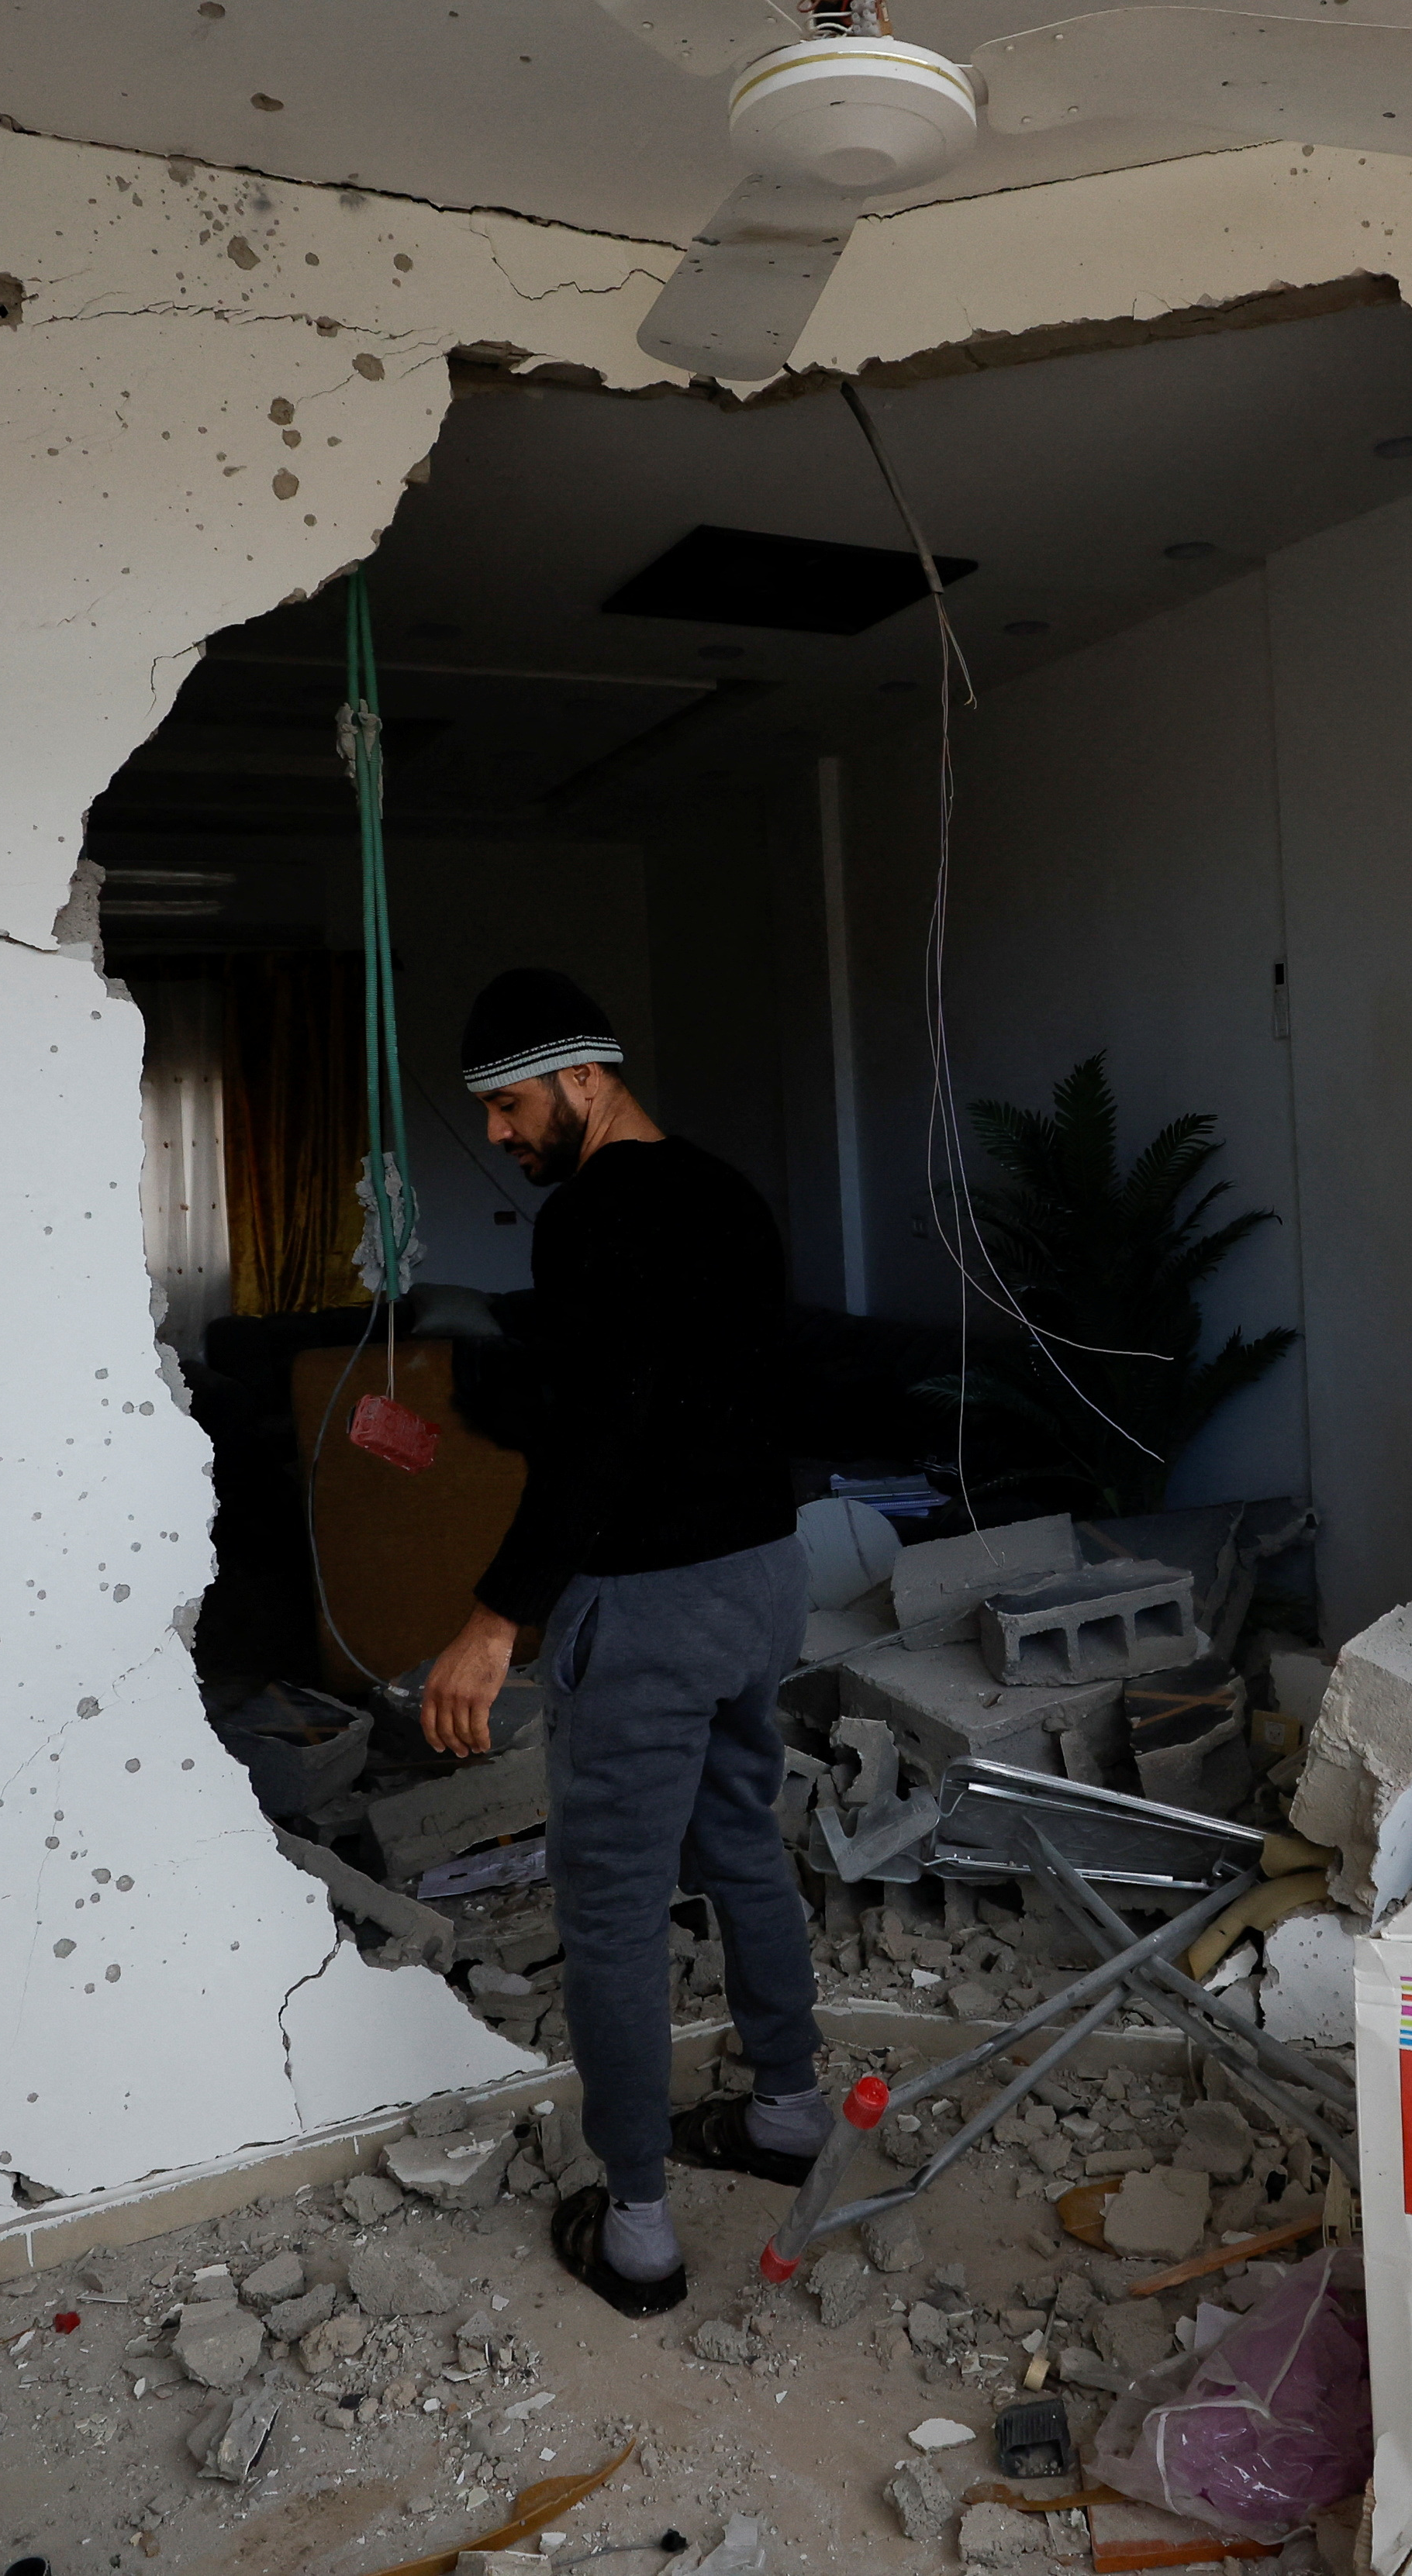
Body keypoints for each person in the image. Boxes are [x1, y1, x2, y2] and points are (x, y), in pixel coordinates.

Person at [423, 967, 825, 2316]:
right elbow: (699, 1385)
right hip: (763, 1575)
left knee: (607, 1907)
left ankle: (640, 2232)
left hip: (647, 1601)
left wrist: (495, 1619)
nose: (501, 1133)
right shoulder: (729, 1193)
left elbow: (602, 1441)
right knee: (740, 1841)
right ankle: (786, 2114)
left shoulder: (592, 1219)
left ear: (584, 1077)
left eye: (510, 1105)